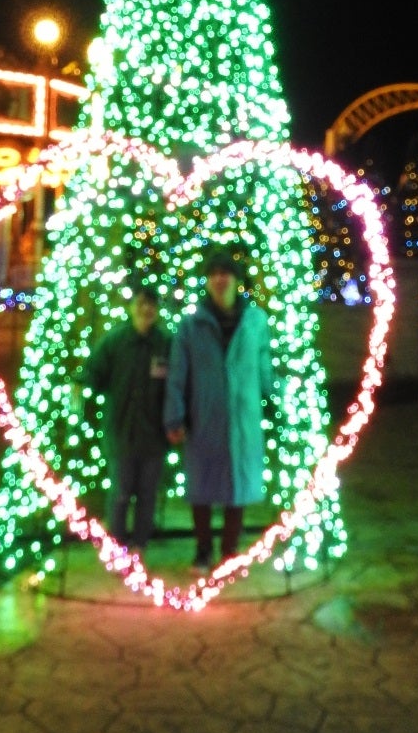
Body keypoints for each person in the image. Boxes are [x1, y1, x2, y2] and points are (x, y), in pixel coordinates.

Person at [164, 245, 276, 575]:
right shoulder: (191, 324)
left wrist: (277, 400)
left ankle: (229, 551)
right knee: (202, 486)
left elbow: (264, 366)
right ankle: (202, 550)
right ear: (207, 281)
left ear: (236, 280)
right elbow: (177, 373)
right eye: (213, 274)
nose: (220, 279)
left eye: (225, 273)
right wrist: (175, 415)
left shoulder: (256, 321)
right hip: (205, 417)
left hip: (243, 418)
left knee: (236, 489)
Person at [81, 285, 171, 552]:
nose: (146, 309)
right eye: (141, 303)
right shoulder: (115, 341)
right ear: (131, 307)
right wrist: (80, 384)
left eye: (151, 304)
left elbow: (177, 384)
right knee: (120, 493)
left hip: (154, 434)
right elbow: (94, 373)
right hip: (121, 430)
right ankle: (117, 545)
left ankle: (140, 544)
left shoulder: (165, 343)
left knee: (147, 494)